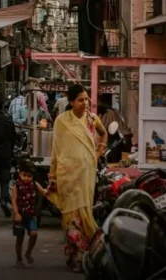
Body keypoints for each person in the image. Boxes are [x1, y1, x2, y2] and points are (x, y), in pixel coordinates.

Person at [47, 84, 108, 273]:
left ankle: (82, 254)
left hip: (86, 175)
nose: (85, 103)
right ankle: (77, 254)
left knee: (84, 214)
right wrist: (53, 175)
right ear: (71, 101)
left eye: (87, 99)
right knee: (70, 218)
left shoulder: (92, 119)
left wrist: (98, 153)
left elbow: (104, 133)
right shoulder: (61, 121)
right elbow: (57, 150)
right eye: (81, 100)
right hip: (67, 176)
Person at [12, 159, 47, 268]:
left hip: (31, 215)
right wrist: (16, 213)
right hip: (20, 216)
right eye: (24, 175)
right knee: (20, 238)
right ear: (20, 174)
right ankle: (19, 258)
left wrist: (51, 188)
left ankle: (28, 252)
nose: (26, 178)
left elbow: (44, 192)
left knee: (34, 234)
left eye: (29, 176)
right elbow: (13, 201)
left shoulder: (34, 184)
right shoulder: (16, 186)